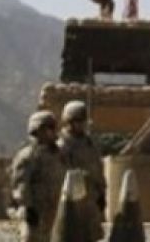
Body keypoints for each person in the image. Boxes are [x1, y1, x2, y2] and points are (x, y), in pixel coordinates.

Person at [10, 110, 66, 242]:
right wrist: (27, 207)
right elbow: (21, 184)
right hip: (35, 210)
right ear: (37, 130)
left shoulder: (58, 154)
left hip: (54, 209)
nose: (51, 132)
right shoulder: (28, 156)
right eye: (48, 128)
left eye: (52, 128)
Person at [58, 101, 108, 240]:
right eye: (78, 121)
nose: (82, 125)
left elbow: (98, 169)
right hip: (71, 202)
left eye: (83, 121)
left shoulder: (90, 143)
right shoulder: (62, 146)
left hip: (91, 200)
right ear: (69, 122)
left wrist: (102, 193)